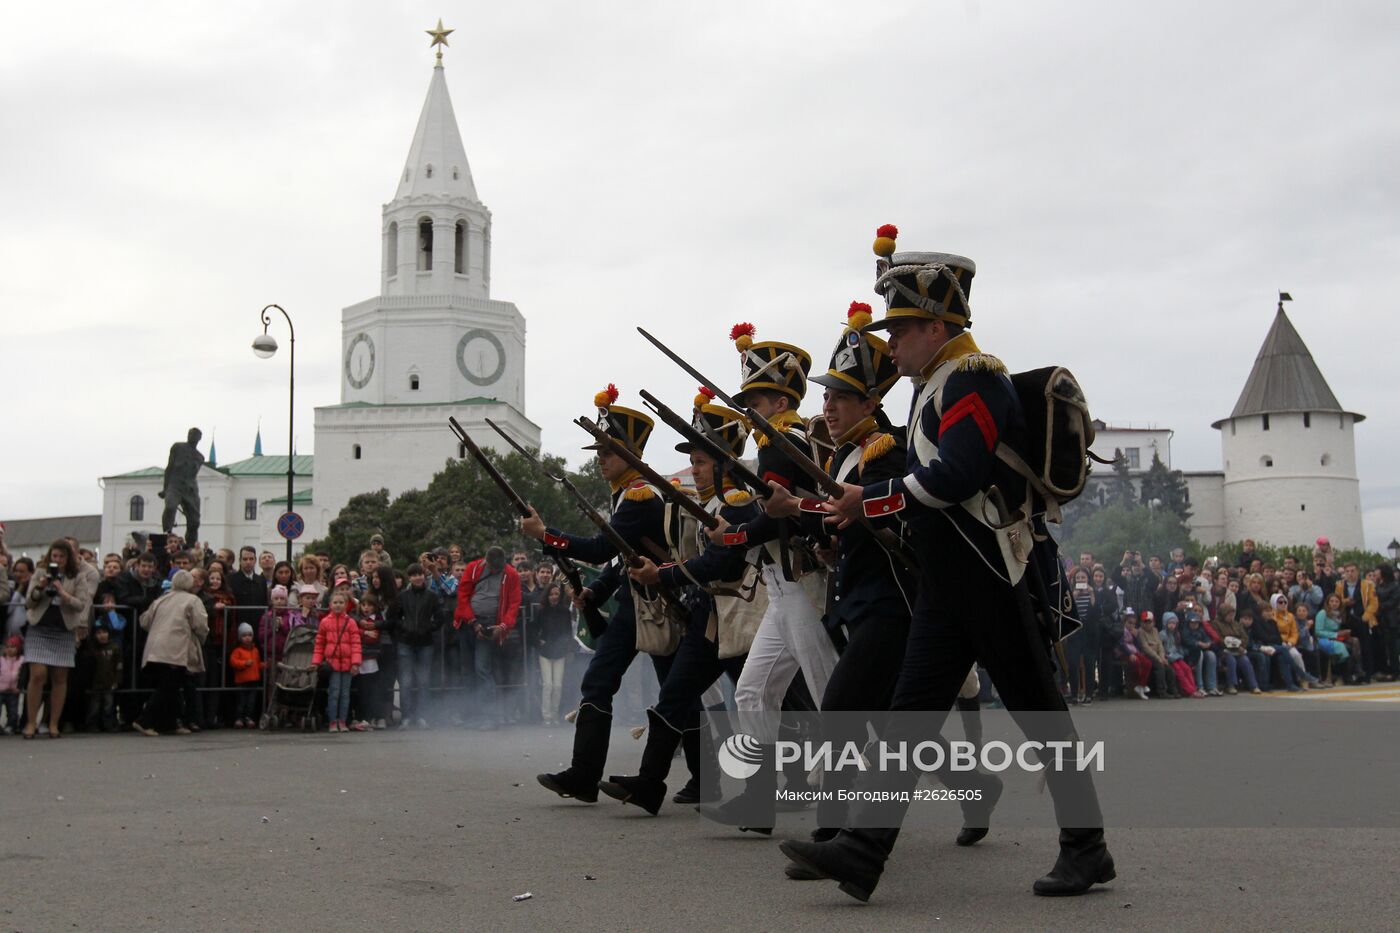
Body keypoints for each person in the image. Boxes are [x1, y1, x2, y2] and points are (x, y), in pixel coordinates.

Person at [783, 228, 1112, 901]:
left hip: (988, 571)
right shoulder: (935, 382)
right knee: (908, 717)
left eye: (901, 328)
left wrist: (868, 499)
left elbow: (956, 474)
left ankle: (1088, 846)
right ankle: (865, 849)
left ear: (937, 326)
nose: (892, 342)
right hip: (948, 577)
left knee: (1038, 709)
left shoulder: (973, 376)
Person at [694, 323, 838, 827]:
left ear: (780, 400)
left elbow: (777, 512)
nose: (749, 407)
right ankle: (761, 799)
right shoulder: (782, 441)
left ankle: (849, 812)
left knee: (833, 699)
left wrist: (732, 538)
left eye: (756, 397)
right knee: (752, 692)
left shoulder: (783, 443)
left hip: (801, 585)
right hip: (781, 587)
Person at [521, 385, 685, 803]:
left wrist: (546, 536)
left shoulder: (641, 496)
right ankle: (583, 774)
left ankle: (683, 779)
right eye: (599, 452)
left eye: (607, 453)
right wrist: (594, 591)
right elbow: (621, 559)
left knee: (676, 693)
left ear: (629, 454)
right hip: (637, 604)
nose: (599, 460)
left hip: (657, 605)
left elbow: (600, 548)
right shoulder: (627, 494)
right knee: (602, 682)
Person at [600, 392, 762, 814]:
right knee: (674, 696)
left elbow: (718, 562)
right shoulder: (703, 505)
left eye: (703, 461)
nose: (694, 467)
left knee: (761, 701)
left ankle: (766, 795)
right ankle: (650, 784)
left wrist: (665, 574)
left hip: (742, 615)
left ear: (726, 463)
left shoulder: (738, 505)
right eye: (693, 460)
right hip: (710, 617)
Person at [22, 540, 98, 738]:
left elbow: (81, 604)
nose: (57, 560)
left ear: (68, 558)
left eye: (62, 557)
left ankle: (54, 724)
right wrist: (40, 588)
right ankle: (31, 723)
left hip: (63, 630)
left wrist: (63, 593)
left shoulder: (78, 577)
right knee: (38, 674)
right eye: (54, 556)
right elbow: (29, 601)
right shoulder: (40, 572)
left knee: (60, 677)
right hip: (39, 628)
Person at [132, 570, 208, 736]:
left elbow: (144, 621)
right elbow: (201, 625)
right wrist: (201, 638)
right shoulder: (193, 600)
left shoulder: (161, 599)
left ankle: (169, 723)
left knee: (171, 686)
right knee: (168, 687)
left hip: (155, 648)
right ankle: (144, 721)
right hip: (176, 649)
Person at [453, 546, 522, 730]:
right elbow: (463, 596)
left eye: (496, 570)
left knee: (482, 669)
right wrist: (473, 622)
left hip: (491, 624)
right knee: (467, 670)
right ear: (486, 561)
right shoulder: (473, 568)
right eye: (491, 568)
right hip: (468, 623)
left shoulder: (511, 575)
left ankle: (490, 716)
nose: (493, 572)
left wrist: (503, 626)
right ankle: (471, 715)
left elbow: (514, 604)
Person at [387, 563, 442, 729]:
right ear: (409, 578)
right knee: (406, 681)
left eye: (420, 574)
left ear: (424, 576)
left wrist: (429, 627)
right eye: (414, 575)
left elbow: (440, 617)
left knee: (424, 681)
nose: (418, 577)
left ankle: (422, 716)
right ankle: (407, 717)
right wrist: (404, 628)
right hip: (406, 643)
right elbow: (394, 617)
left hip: (425, 643)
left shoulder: (432, 596)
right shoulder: (402, 596)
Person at [313, 591, 361, 734]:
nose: (338, 605)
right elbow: (319, 644)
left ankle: (343, 721)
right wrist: (316, 661)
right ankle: (333, 721)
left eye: (341, 602)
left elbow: (356, 644)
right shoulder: (325, 622)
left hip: (347, 664)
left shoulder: (351, 622)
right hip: (332, 664)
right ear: (330, 605)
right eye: (335, 602)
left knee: (345, 694)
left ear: (346, 605)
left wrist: (355, 663)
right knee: (334, 693)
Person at [534, 582, 575, 726]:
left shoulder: (565, 612)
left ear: (560, 595)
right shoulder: (541, 611)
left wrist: (569, 649)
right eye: (551, 594)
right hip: (545, 652)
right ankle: (546, 715)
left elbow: (569, 632)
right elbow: (533, 629)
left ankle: (555, 713)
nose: (554, 597)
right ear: (547, 596)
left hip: (560, 652)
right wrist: (538, 641)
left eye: (556, 594)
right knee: (548, 685)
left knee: (557, 685)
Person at [1335, 563, 1379, 683]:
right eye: (1347, 571)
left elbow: (1373, 603)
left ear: (1358, 572)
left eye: (1352, 571)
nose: (1350, 573)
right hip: (1347, 620)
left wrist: (1365, 617)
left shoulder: (1367, 585)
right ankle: (1350, 673)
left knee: (1366, 647)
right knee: (1350, 646)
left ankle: (1367, 674)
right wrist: (1345, 602)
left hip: (1362, 619)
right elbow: (1336, 601)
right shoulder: (1339, 585)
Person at [83, 620, 123, 731]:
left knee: (108, 705)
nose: (102, 635)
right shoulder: (92, 649)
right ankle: (91, 724)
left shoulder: (115, 647)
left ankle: (108, 724)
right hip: (95, 682)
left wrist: (117, 680)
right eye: (99, 633)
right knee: (94, 706)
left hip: (110, 682)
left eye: (104, 632)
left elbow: (119, 665)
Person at [1315, 592, 1358, 684]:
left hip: (1336, 637)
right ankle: (1346, 675)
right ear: (1328, 603)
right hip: (1325, 639)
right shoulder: (1322, 613)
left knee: (1355, 642)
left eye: (1336, 602)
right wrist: (1336, 635)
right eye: (1332, 601)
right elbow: (1318, 632)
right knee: (1344, 647)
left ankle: (1355, 670)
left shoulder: (1339, 614)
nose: (1334, 603)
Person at [229, 623, 263, 728]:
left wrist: (264, 665)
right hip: (242, 681)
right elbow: (233, 662)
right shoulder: (237, 650)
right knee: (241, 701)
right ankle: (239, 718)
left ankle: (248, 717)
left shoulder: (255, 650)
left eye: (250, 635)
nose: (247, 638)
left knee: (251, 702)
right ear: (240, 638)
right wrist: (244, 663)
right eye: (244, 635)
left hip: (253, 680)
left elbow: (257, 664)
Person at [1, 635, 24, 734]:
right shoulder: (1, 660)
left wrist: (20, 688)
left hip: (14, 691)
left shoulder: (21, 660)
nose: (9, 649)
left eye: (13, 647)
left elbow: (23, 676)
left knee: (13, 711)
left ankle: (11, 725)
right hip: (1, 690)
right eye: (7, 647)